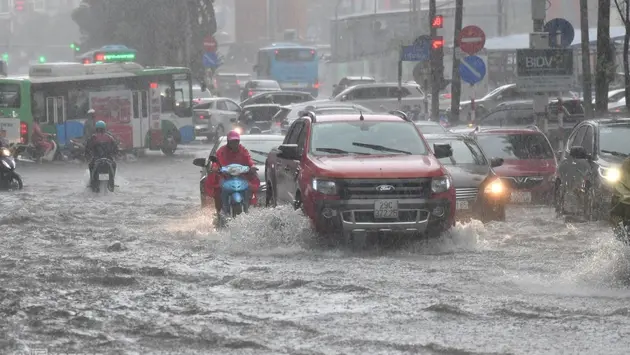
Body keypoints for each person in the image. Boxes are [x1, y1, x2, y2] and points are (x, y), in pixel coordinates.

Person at [204, 130, 260, 215]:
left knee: (250, 189)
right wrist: (216, 168)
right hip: (225, 177)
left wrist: (252, 167)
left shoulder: (243, 150)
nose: (235, 144)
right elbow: (216, 162)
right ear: (228, 142)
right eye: (232, 142)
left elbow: (249, 160)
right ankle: (220, 212)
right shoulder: (221, 151)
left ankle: (249, 207)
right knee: (218, 192)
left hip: (240, 177)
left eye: (236, 141)